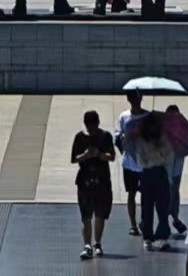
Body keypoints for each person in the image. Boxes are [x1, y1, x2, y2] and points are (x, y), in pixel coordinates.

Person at [71, 108, 115, 260]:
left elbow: (112, 156)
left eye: (93, 125)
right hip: (84, 180)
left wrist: (100, 155)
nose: (91, 128)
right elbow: (74, 158)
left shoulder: (105, 136)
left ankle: (98, 243)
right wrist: (85, 155)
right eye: (88, 125)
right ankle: (87, 245)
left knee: (100, 214)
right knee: (86, 215)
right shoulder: (80, 137)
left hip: (102, 180)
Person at [128, 109, 175, 249]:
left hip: (161, 173)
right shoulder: (142, 140)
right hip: (148, 173)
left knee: (163, 207)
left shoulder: (163, 139)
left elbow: (169, 155)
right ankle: (148, 237)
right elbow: (140, 159)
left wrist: (160, 154)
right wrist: (151, 161)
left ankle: (163, 236)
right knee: (147, 207)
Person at [162, 102, 188, 236]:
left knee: (174, 191)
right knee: (165, 192)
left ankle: (174, 217)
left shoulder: (182, 129)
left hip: (176, 164)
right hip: (165, 165)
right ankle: (166, 218)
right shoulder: (162, 128)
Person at [115, 90, 144, 235]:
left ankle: (145, 220)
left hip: (146, 163)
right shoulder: (124, 116)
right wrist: (124, 140)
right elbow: (117, 136)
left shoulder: (147, 116)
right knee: (131, 193)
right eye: (132, 97)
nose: (135, 100)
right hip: (129, 163)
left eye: (137, 97)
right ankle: (133, 224)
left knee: (147, 195)